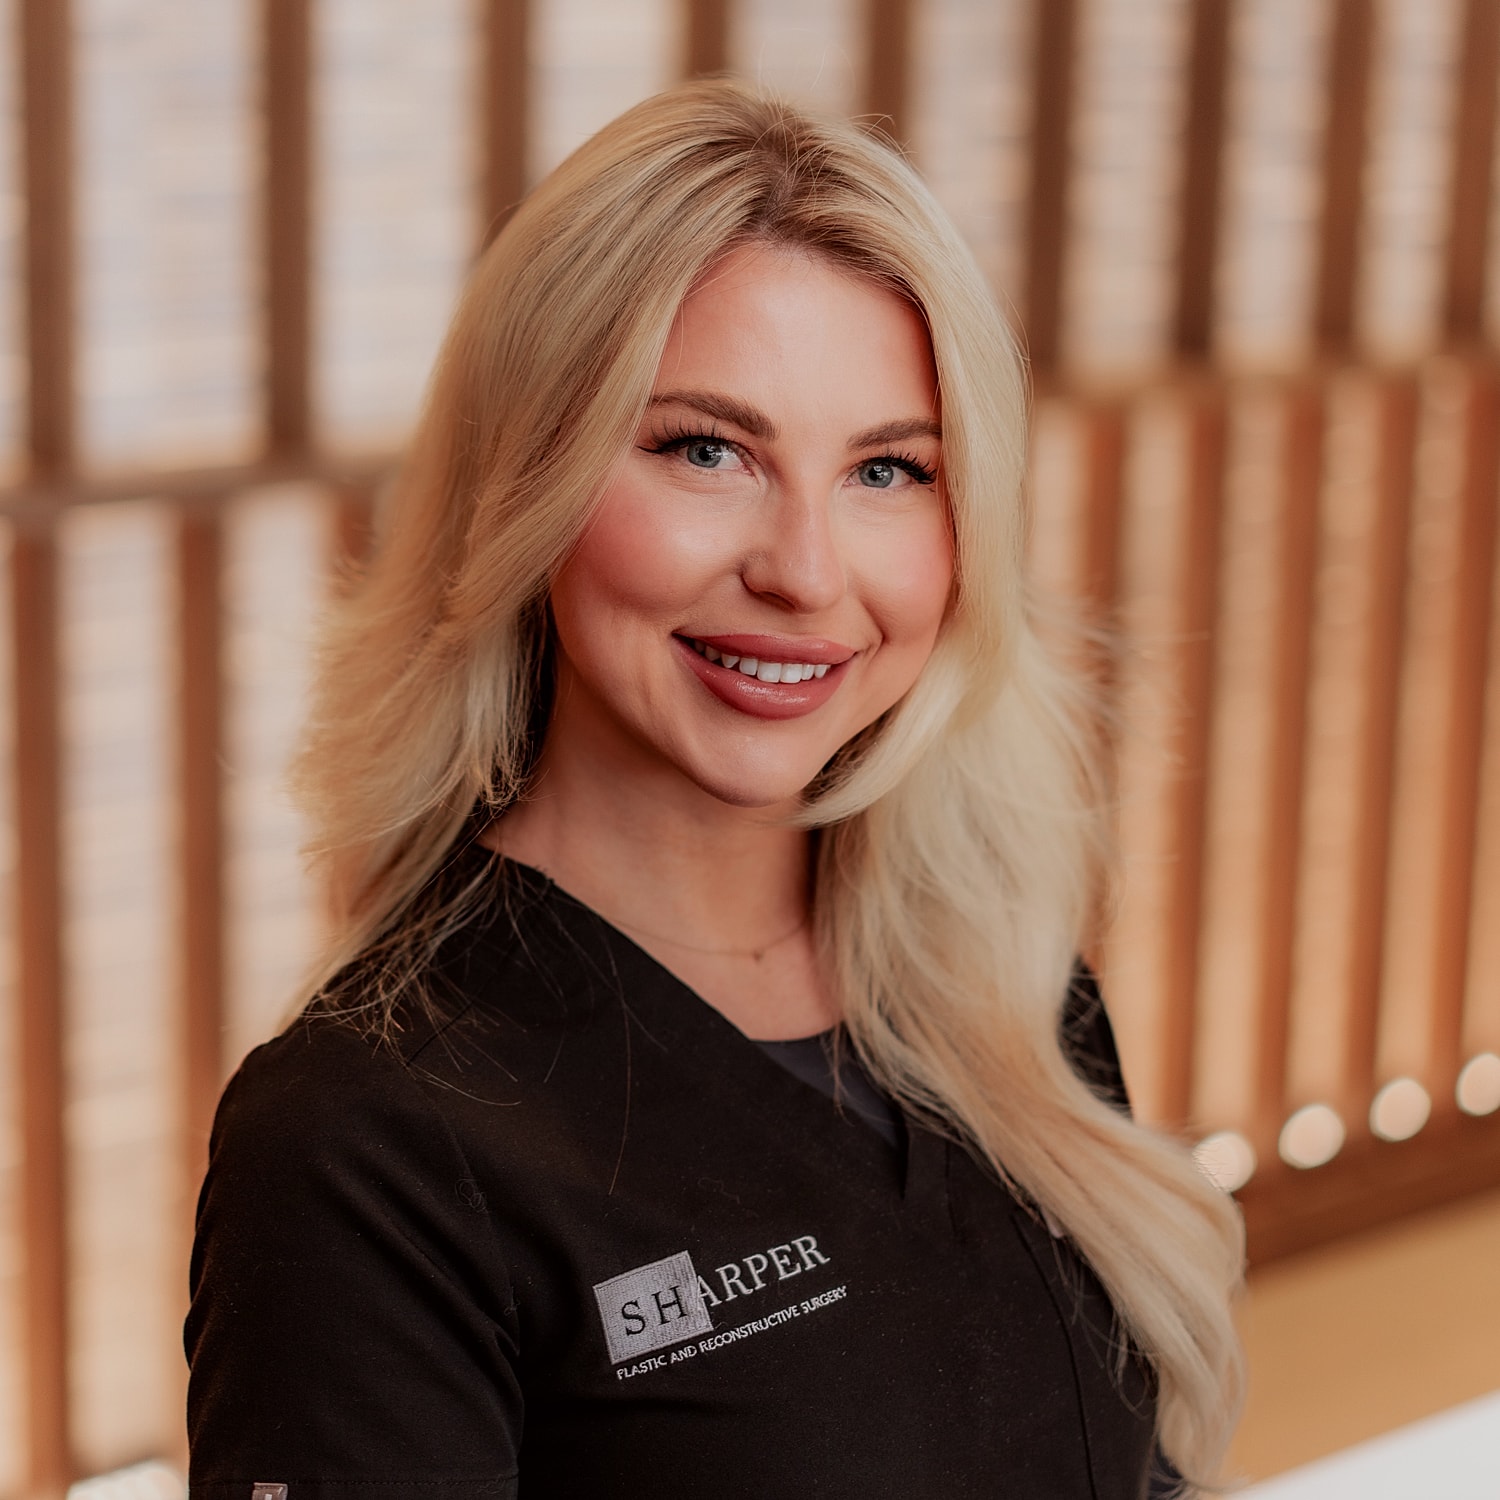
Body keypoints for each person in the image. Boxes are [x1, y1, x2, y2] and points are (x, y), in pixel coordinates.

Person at [185, 79, 1244, 1499]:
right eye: (705, 449)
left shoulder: (1013, 999)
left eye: (888, 469)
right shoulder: (368, 1145)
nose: (806, 572)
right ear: (530, 481)